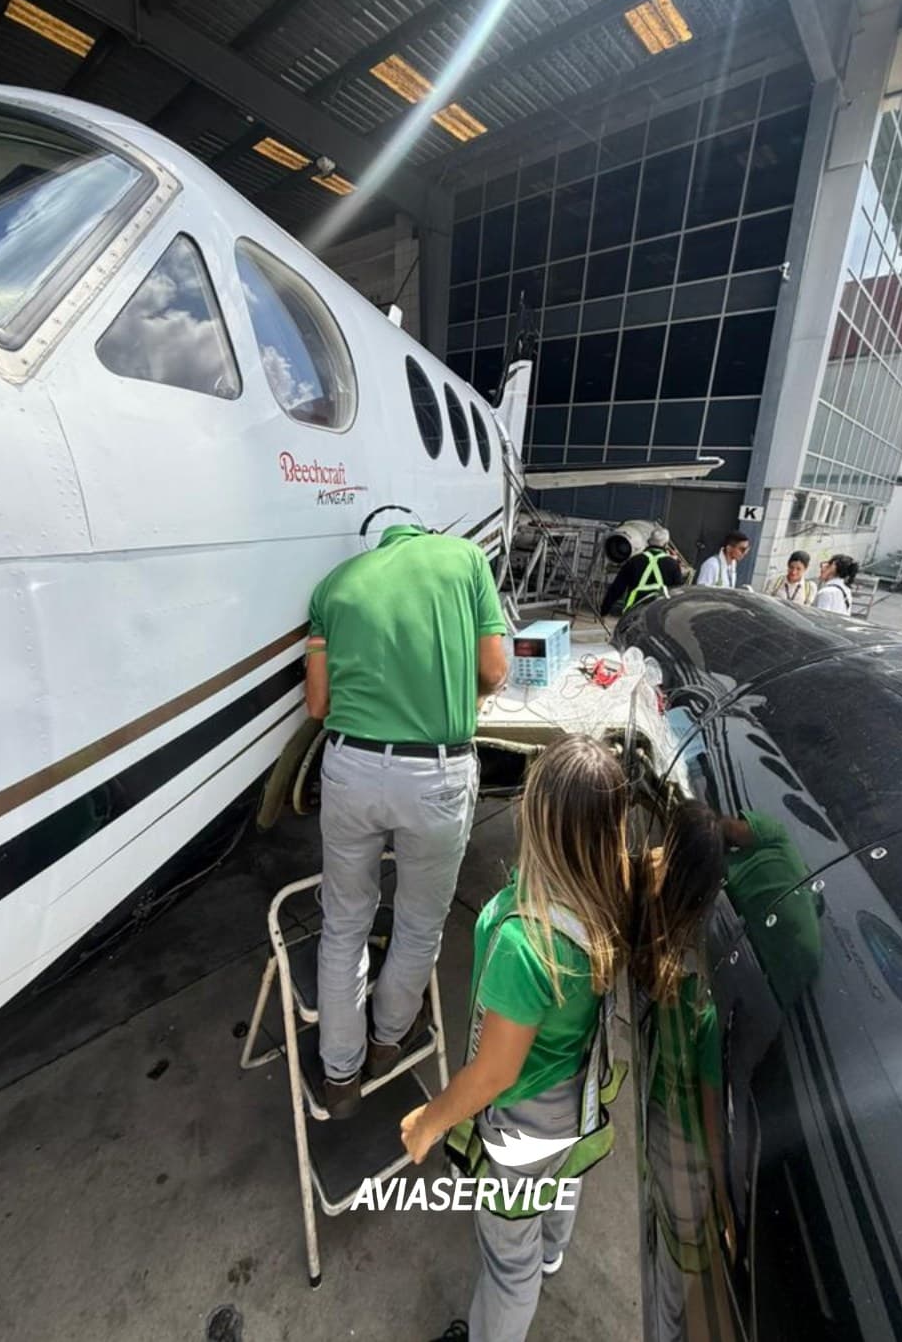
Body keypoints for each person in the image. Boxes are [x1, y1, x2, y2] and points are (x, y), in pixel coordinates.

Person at [400, 736, 632, 1342]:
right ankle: (553, 1251)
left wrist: (430, 1119)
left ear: (537, 817)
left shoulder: (524, 945)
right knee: (563, 1182)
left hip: (522, 1121)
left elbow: (494, 1074)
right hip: (574, 1093)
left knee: (508, 1263)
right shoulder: (612, 891)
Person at [305, 523, 508, 1118]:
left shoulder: (333, 586)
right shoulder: (466, 560)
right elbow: (495, 672)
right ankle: (386, 1043)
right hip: (434, 776)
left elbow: (317, 705)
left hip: (350, 766)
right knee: (419, 921)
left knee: (344, 921)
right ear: (422, 533)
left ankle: (339, 1077)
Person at [633, 802, 733, 1341]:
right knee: (674, 1285)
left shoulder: (639, 919)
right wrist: (723, 1196)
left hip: (644, 1130)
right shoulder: (702, 1005)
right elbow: (712, 1120)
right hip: (684, 1161)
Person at [600, 524, 685, 615]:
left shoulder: (634, 561)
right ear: (665, 544)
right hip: (658, 613)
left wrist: (604, 610)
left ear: (649, 542)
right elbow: (677, 592)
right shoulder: (672, 564)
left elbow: (617, 588)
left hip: (633, 611)